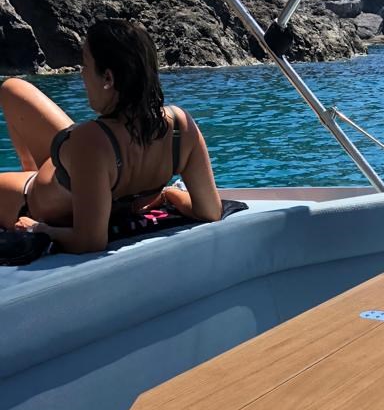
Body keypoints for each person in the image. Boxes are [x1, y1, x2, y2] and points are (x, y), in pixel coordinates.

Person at [0, 19, 221, 253]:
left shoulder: (90, 139)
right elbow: (210, 211)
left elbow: (90, 241)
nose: (81, 74)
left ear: (108, 78)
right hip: (89, 175)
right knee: (12, 88)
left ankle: (30, 173)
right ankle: (29, 168)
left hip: (28, 200)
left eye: (85, 64)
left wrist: (40, 229)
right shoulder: (180, 127)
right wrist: (170, 194)